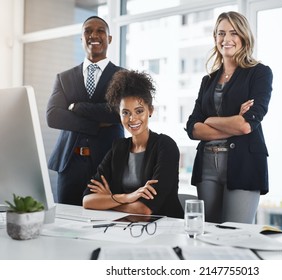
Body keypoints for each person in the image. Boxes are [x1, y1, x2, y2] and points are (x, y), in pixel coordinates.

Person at [185, 11, 273, 224]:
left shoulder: (259, 73)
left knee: (236, 236)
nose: (227, 39)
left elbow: (245, 126)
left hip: (243, 164)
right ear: (215, 38)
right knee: (208, 234)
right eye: (221, 33)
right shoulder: (208, 80)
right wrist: (231, 121)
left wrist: (210, 121)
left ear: (244, 36)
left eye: (233, 33)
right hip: (207, 164)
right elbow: (192, 128)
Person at [82, 70, 184, 219]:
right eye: (125, 112)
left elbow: (144, 210)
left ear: (150, 110)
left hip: (165, 228)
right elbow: (87, 201)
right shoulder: (118, 148)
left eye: (139, 111)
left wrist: (110, 199)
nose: (132, 119)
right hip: (126, 227)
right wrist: (126, 197)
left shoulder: (166, 146)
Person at [47, 16, 125, 206]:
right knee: (66, 222)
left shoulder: (123, 76)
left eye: (100, 31)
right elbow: (53, 116)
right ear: (81, 38)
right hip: (69, 164)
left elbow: (117, 113)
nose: (94, 35)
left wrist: (78, 108)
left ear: (110, 39)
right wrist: (95, 124)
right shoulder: (64, 77)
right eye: (88, 31)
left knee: (103, 220)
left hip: (107, 163)